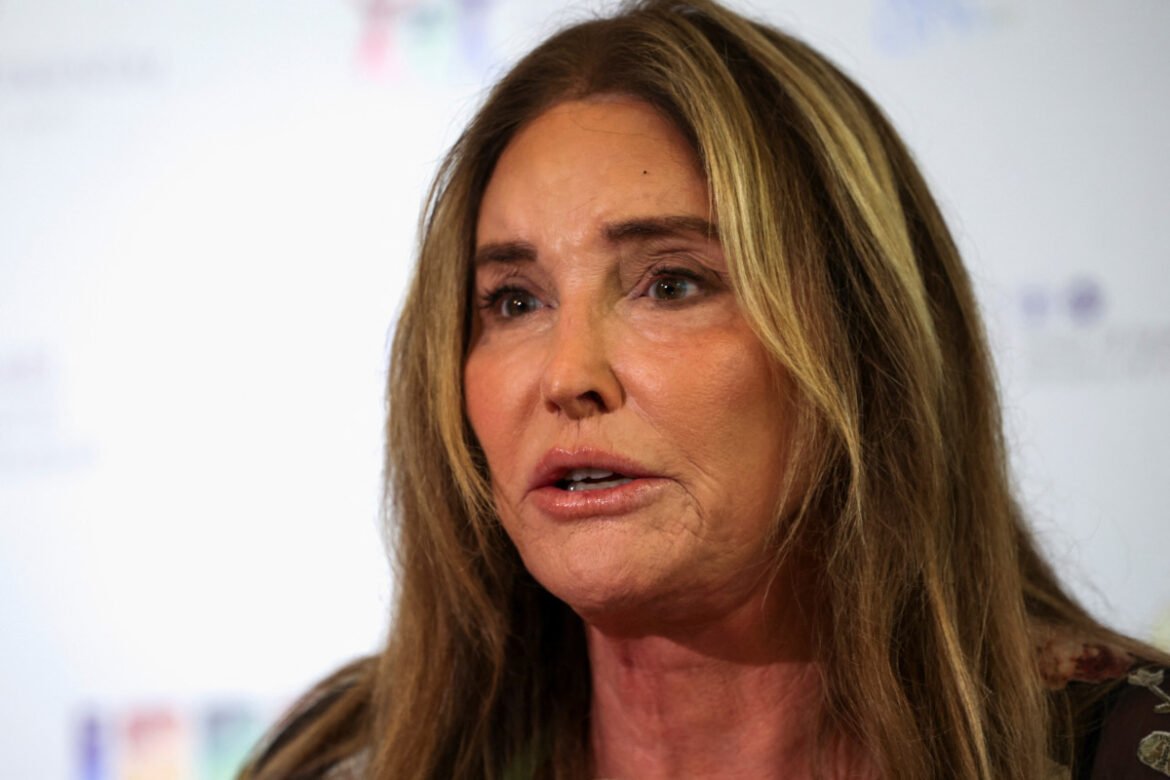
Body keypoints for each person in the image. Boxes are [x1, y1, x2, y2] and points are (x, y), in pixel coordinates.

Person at [240, 1, 1170, 778]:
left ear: (863, 343)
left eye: (672, 285)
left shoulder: (1127, 750)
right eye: (515, 301)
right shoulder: (343, 758)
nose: (568, 377)